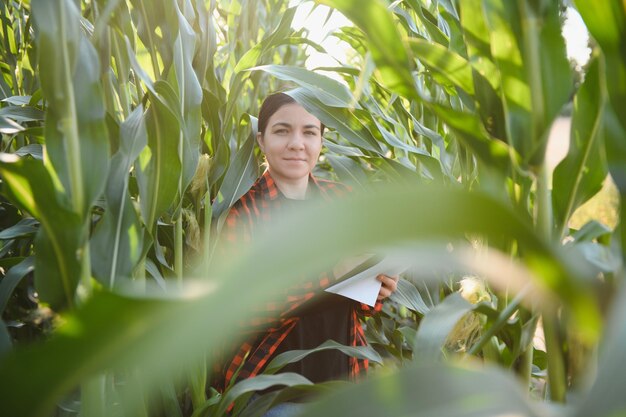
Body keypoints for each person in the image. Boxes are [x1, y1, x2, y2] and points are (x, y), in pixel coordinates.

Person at [216, 92, 398, 415]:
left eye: (309, 132)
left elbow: (359, 305)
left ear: (321, 141)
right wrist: (333, 271)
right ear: (261, 139)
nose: (297, 143)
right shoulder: (244, 215)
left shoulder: (343, 200)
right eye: (282, 131)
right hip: (274, 399)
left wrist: (379, 287)